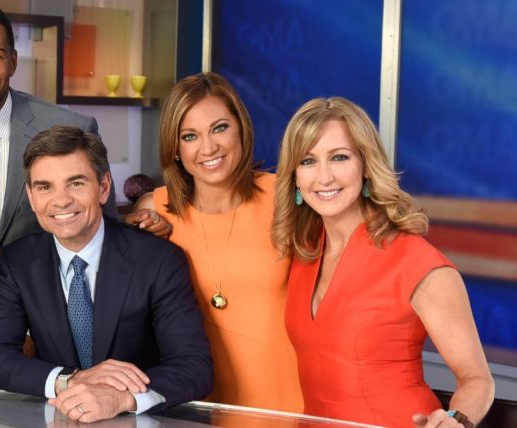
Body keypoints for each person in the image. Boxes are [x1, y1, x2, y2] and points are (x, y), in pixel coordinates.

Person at [0, 1, 162, 388]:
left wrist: (38, 326)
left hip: (42, 339)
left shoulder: (72, 127)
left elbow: (102, 238)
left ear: (13, 61)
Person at [272, 97, 494, 427]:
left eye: (339, 157)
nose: (324, 176)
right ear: (294, 178)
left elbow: (478, 380)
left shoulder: (418, 263)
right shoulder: (302, 253)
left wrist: (455, 420)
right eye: (308, 161)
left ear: (365, 165)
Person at [0, 125, 212, 424]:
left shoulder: (158, 259)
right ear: (31, 197)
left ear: (104, 187)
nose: (61, 200)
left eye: (75, 183)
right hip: (58, 419)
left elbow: (194, 367)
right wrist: (70, 380)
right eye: (45, 187)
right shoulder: (18, 261)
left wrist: (122, 397)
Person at [126, 72, 303, 412]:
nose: (208, 148)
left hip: (284, 404)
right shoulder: (155, 210)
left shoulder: (285, 197)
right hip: (191, 407)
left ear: (241, 129)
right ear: (175, 149)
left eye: (219, 128)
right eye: (189, 136)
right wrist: (129, 234)